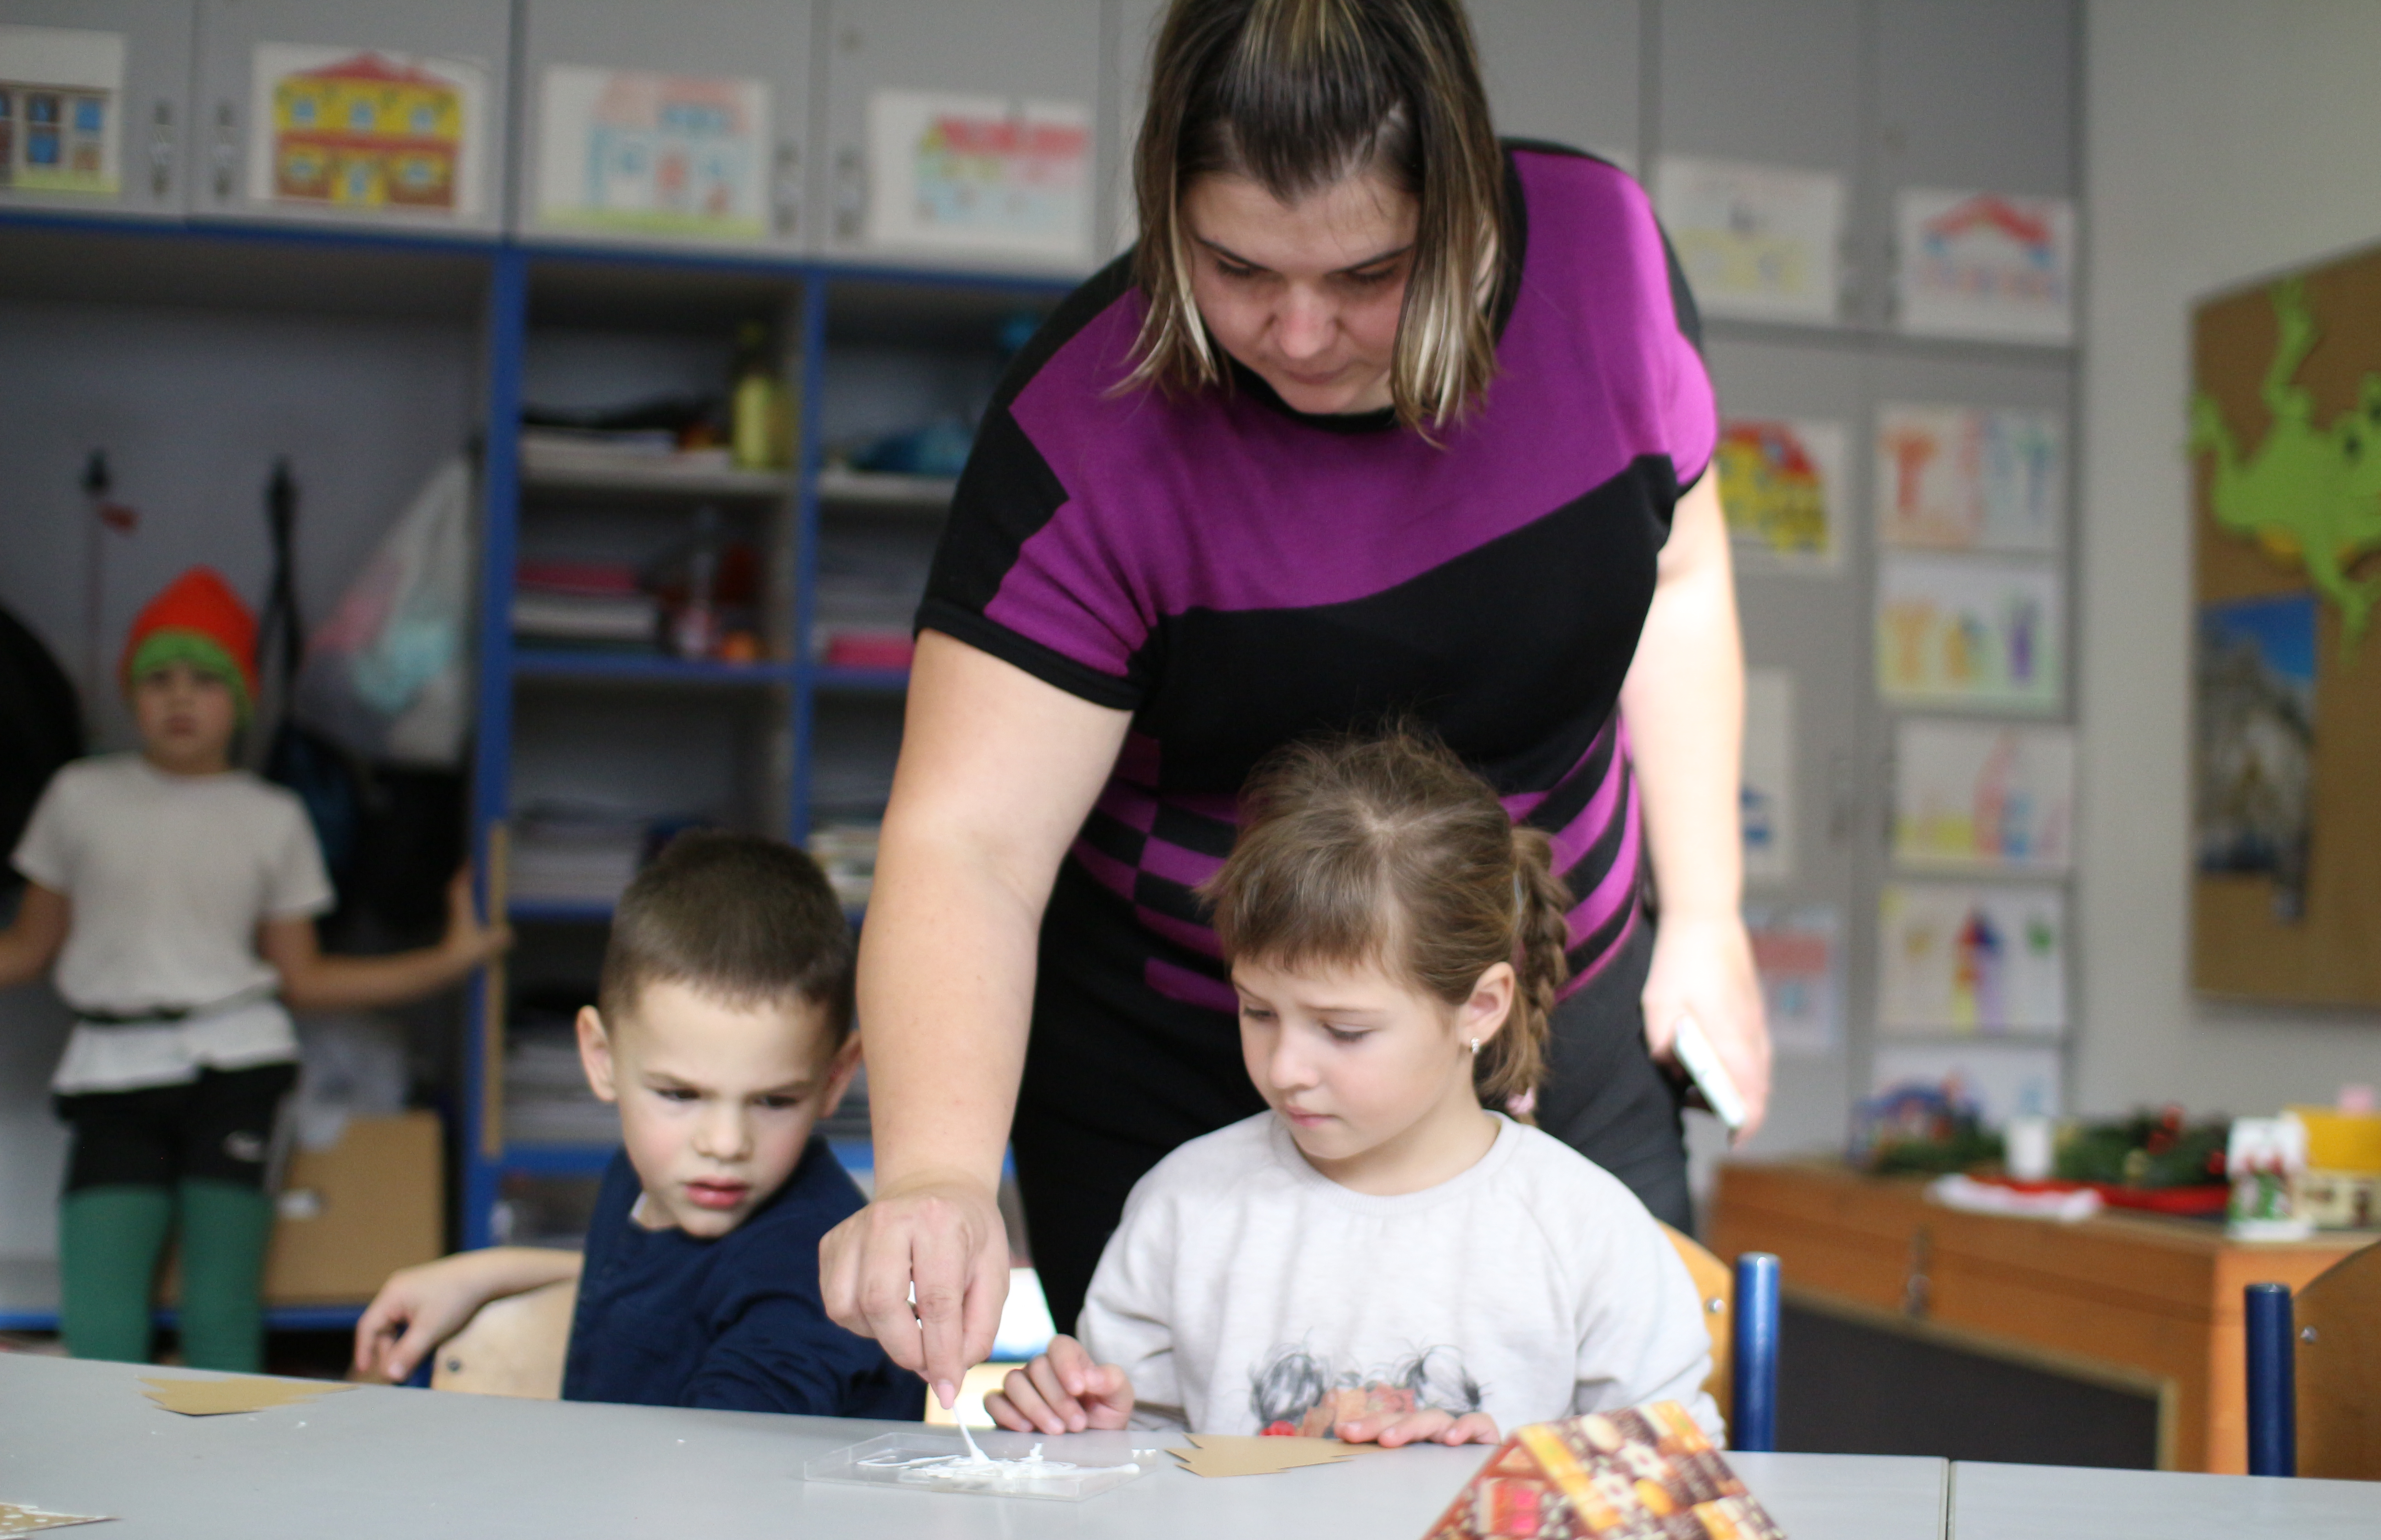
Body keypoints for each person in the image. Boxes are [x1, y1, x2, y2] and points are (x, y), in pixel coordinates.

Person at [825, 0, 1770, 1408]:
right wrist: (938, 1173)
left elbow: (1681, 576)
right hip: (1191, 1042)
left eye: (1371, 272)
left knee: (1586, 1458)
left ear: (1462, 204)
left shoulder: (1606, 268)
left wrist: (1709, 915)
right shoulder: (1087, 431)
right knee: (1191, 1471)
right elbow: (972, 843)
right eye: (1238, 269)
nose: (1304, 332)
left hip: (1549, 997)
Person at [985, 729, 1718, 1443]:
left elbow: (1677, 1477)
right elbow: (1140, 1461)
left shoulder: (1586, 1230)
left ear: (1480, 1008)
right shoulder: (1183, 1207)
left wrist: (1491, 1477)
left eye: (1343, 1030)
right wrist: (1089, 1428)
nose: (1284, 1069)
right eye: (1258, 1012)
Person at [0, 567, 508, 1372]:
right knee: (99, 1317)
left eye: (205, 679)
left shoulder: (273, 816)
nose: (180, 697)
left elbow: (305, 978)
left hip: (238, 1068)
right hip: (112, 1070)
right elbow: (27, 950)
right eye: (159, 677)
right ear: (131, 692)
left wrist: (446, 961)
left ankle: (223, 1456)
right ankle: (103, 1456)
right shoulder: (79, 796)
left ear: (241, 697)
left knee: (223, 1310)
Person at [353, 832, 920, 1419]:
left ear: (834, 1078)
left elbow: (717, 1467)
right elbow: (661, 1280)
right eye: (679, 1095)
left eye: (774, 1101)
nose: (724, 1144)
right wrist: (489, 1273)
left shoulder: (803, 1286)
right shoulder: (650, 1179)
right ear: (601, 1058)